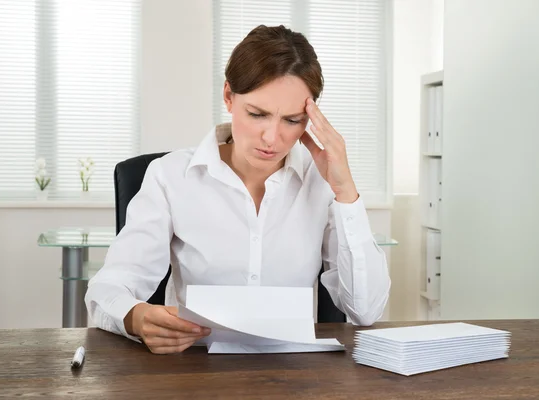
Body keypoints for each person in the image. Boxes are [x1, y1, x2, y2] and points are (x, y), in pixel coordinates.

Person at [85, 25, 391, 354]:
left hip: (296, 375)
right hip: (195, 370)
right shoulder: (170, 176)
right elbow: (107, 290)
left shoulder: (322, 182)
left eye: (292, 120)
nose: (273, 139)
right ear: (229, 97)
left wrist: (345, 191)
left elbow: (365, 310)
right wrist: (136, 316)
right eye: (257, 114)